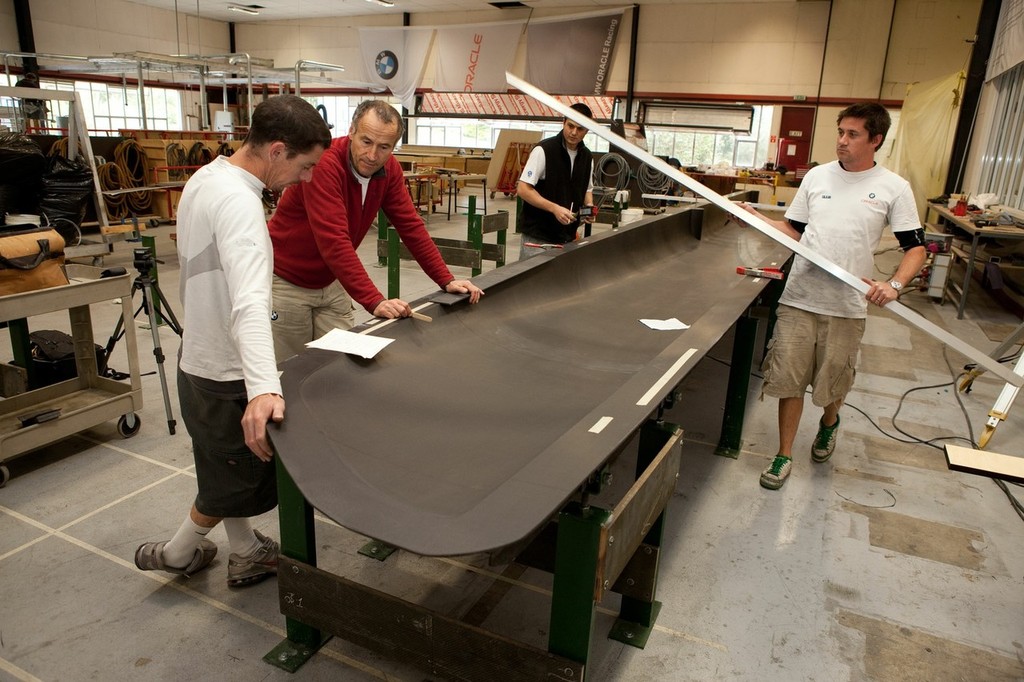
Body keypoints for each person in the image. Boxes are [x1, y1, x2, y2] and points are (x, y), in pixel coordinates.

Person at [134, 95, 331, 585]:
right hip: (225, 369)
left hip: (194, 355)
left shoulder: (206, 177)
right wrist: (262, 386)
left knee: (218, 465)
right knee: (238, 482)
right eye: (304, 167)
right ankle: (179, 553)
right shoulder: (244, 207)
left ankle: (244, 550)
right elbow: (249, 304)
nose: (306, 180)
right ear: (278, 151)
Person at [741, 102, 927, 491]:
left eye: (853, 134)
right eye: (840, 132)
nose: (842, 141)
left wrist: (893, 285)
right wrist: (754, 218)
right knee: (788, 378)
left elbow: (916, 248)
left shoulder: (894, 187)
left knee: (833, 382)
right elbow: (793, 230)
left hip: (846, 304)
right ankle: (784, 454)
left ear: (876, 140)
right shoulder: (817, 177)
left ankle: (829, 423)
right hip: (799, 297)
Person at [268, 100, 483, 362]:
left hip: (330, 280)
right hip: (288, 281)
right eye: (366, 141)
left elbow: (410, 225)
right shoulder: (324, 165)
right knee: (292, 368)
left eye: (384, 147)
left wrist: (446, 279)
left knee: (342, 364)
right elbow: (334, 241)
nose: (372, 155)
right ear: (351, 131)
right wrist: (374, 300)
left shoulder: (389, 169)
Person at [516, 103, 596, 260]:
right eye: (570, 126)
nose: (573, 133)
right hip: (538, 239)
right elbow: (523, 189)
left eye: (580, 129)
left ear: (587, 130)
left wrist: (589, 206)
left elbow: (587, 188)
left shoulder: (587, 157)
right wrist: (554, 208)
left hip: (567, 237)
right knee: (534, 282)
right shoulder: (544, 150)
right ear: (563, 123)